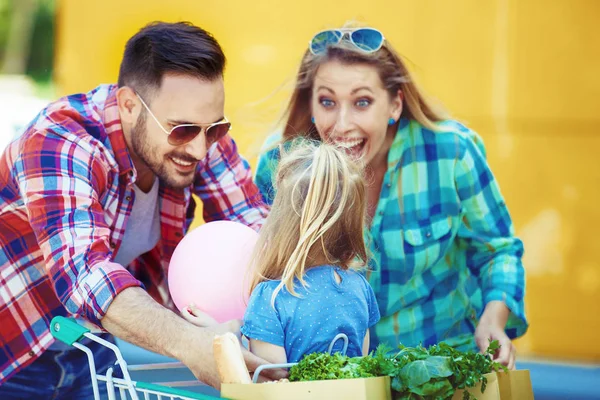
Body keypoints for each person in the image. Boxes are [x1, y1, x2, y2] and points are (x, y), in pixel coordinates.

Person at [0, 21, 283, 398]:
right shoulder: (61, 141)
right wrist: (191, 343)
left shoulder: (198, 132)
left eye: (214, 129)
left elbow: (256, 228)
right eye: (182, 129)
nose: (200, 149)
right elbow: (85, 275)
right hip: (13, 350)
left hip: (91, 349)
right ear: (130, 105)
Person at [254, 24, 528, 369]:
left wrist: (493, 319)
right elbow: (261, 271)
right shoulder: (282, 164)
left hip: (442, 365)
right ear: (311, 103)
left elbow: (497, 250)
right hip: (330, 377)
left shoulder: (452, 153)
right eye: (327, 101)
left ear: (395, 104)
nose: (341, 125)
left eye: (362, 102)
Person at [240, 140, 380, 364]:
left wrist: (224, 340)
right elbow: (361, 364)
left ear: (281, 222)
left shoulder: (271, 297)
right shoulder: (360, 288)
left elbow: (271, 381)